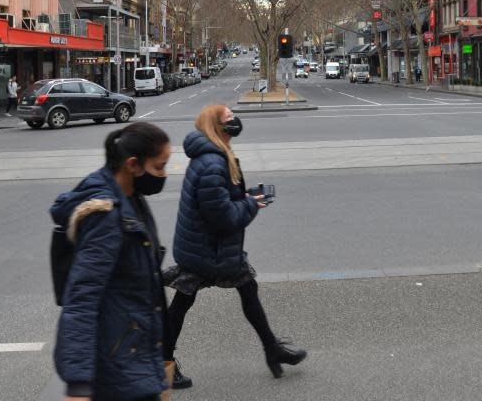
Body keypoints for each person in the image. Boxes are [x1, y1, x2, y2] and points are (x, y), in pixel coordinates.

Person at [163, 105, 307, 389]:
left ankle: (272, 349)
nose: (235, 122)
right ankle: (162, 361)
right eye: (229, 119)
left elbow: (224, 203)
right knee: (184, 300)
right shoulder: (212, 164)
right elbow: (225, 217)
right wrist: (255, 202)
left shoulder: (215, 156)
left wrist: (248, 198)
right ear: (217, 128)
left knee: (244, 289)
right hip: (208, 250)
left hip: (210, 246)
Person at [51, 122, 173, 401]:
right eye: (159, 166)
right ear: (133, 165)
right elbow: (82, 297)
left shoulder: (131, 199)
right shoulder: (106, 215)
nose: (163, 174)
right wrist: (79, 383)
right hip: (117, 365)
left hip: (132, 353)